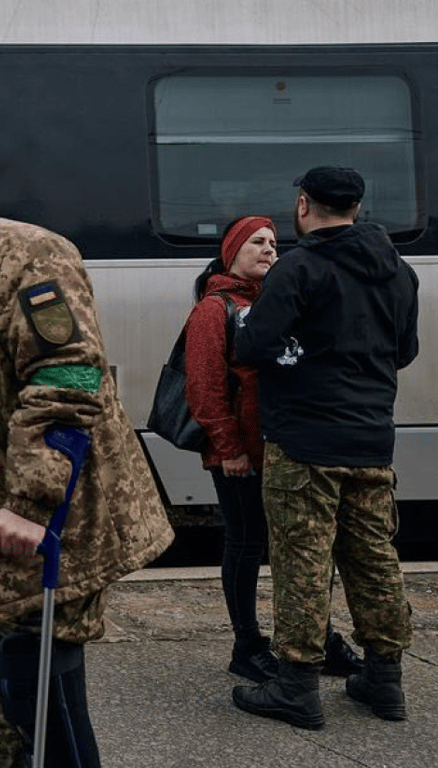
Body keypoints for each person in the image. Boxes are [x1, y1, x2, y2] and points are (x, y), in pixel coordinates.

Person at [0, 147, 173, 766]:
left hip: (34, 533)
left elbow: (67, 380)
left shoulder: (30, 258)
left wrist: (31, 503)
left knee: (32, 709)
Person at [232, 166, 418, 729]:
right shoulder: (399, 272)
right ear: (356, 208)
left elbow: (253, 346)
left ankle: (296, 687)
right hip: (370, 440)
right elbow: (403, 352)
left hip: (304, 440)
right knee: (374, 559)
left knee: (302, 563)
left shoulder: (299, 268)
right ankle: (384, 682)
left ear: (305, 205)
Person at [186, 216, 364, 686]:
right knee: (246, 545)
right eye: (256, 243)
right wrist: (229, 448)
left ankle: (317, 639)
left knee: (303, 547)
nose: (269, 250)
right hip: (241, 455)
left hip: (290, 449)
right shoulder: (214, 309)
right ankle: (246, 645)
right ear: (232, 253)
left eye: (272, 243)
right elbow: (204, 389)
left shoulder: (282, 302)